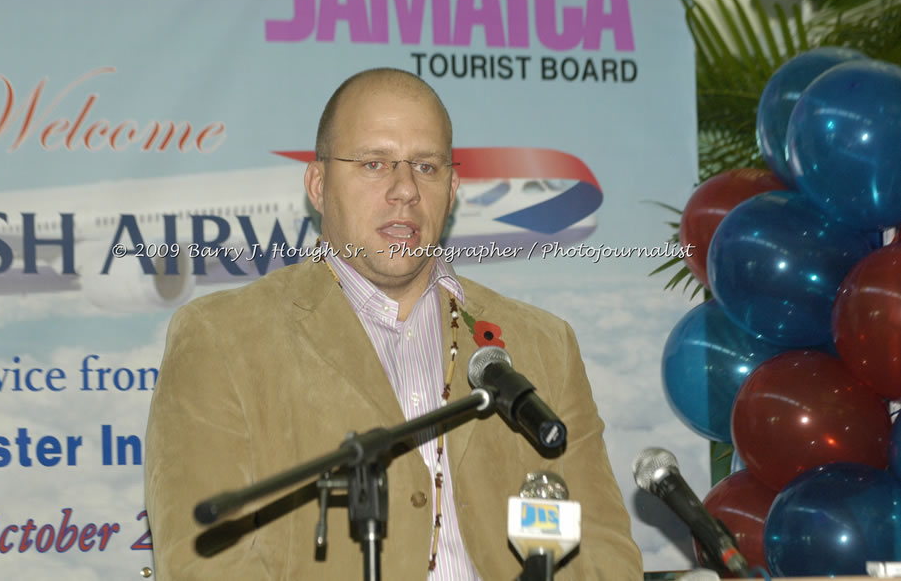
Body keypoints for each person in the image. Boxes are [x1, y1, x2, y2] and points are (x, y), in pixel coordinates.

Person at [144, 68, 642, 580]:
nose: (404, 189)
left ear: (451, 190)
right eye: (374, 163)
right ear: (318, 184)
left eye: (426, 167)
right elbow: (207, 567)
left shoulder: (544, 345)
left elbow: (605, 553)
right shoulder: (220, 339)